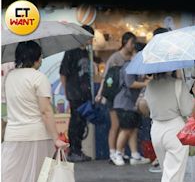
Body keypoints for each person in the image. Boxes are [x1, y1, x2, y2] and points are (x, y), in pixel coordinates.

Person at [2, 41, 69, 182]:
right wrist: (56, 138)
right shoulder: (38, 78)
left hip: (13, 136)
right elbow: (46, 111)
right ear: (36, 58)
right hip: (38, 136)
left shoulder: (9, 77)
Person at [144, 70, 194, 182]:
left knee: (171, 175)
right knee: (171, 179)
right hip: (175, 130)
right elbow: (188, 110)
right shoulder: (178, 84)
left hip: (156, 130)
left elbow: (147, 107)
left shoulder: (150, 85)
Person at [95, 32, 137, 163]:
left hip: (126, 98)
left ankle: (122, 152)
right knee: (116, 125)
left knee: (125, 125)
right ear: (125, 42)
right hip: (113, 95)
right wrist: (100, 93)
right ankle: (112, 152)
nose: (133, 46)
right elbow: (105, 77)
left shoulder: (132, 57)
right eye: (131, 43)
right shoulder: (115, 58)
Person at [59, 25, 95, 162]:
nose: (91, 40)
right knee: (75, 122)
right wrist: (67, 92)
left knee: (82, 124)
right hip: (74, 94)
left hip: (85, 94)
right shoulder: (71, 51)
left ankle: (78, 150)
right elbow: (63, 73)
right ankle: (73, 151)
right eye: (89, 37)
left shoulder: (86, 52)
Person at [112, 43, 151, 166]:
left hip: (131, 104)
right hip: (124, 103)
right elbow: (130, 83)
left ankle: (135, 155)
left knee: (133, 129)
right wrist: (146, 83)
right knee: (126, 129)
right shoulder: (129, 66)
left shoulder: (138, 67)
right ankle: (117, 154)